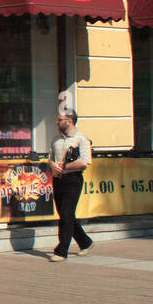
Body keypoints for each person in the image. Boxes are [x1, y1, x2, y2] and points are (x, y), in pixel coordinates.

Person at [48, 110, 94, 262]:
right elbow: (50, 158)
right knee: (65, 215)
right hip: (58, 179)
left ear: (69, 121)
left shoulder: (81, 138)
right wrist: (53, 165)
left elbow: (85, 161)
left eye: (60, 119)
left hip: (73, 179)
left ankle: (61, 251)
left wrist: (66, 167)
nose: (57, 122)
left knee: (67, 214)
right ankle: (85, 242)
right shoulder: (55, 139)